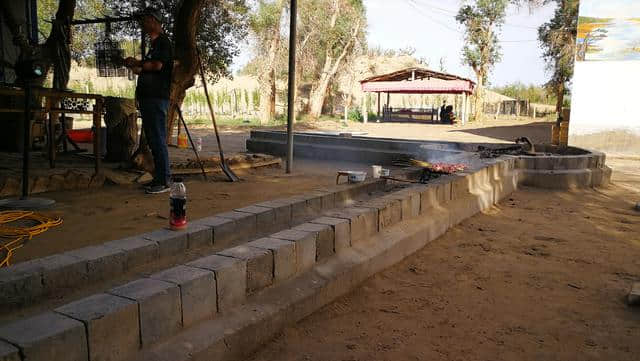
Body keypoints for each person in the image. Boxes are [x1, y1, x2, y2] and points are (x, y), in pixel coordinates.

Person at [124, 8, 173, 194]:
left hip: (156, 98)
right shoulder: (153, 46)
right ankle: (159, 178)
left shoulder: (163, 43)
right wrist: (132, 66)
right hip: (148, 98)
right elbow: (146, 69)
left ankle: (164, 180)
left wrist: (137, 63)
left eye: (144, 20)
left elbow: (157, 65)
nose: (142, 24)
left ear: (153, 20)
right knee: (153, 139)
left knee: (158, 139)